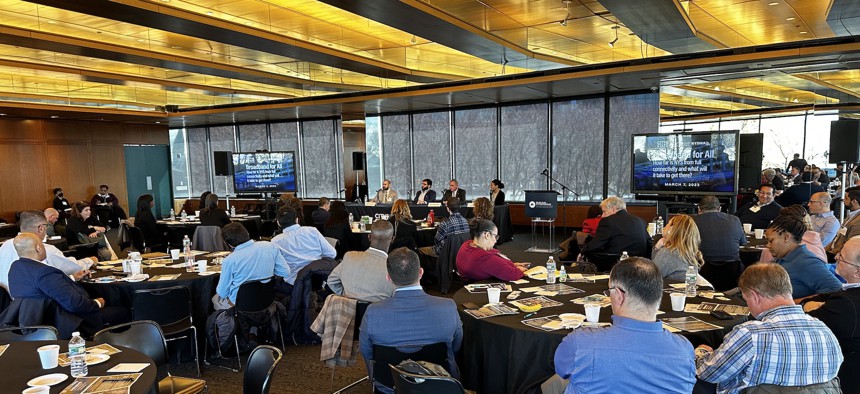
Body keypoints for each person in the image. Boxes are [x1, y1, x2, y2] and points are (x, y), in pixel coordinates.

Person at [542, 257, 695, 394]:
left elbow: (561, 370)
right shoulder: (685, 351)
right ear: (658, 296)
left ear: (619, 296)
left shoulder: (579, 342)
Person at [695, 263, 843, 393]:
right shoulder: (825, 331)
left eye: (747, 300)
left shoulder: (751, 334)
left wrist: (701, 353)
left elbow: (709, 374)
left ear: (755, 296)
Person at [359, 248, 463, 394]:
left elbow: (368, 353)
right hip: (440, 386)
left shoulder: (372, 312)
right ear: (421, 272)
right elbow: (456, 347)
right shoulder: (448, 307)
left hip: (388, 385)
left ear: (388, 278)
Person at [8, 233, 129, 337]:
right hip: (67, 322)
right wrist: (96, 303)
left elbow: (43, 291)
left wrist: (71, 278)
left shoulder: (16, 268)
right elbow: (74, 304)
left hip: (36, 322)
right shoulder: (44, 272)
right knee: (122, 312)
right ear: (38, 248)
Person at [803, 237, 860, 392]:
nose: (835, 257)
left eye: (841, 257)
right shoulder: (848, 295)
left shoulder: (846, 305)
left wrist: (812, 305)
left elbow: (807, 321)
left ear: (857, 271)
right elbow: (827, 296)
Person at [0, 210, 92, 293]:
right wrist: (90, 260)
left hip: (8, 304)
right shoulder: (43, 249)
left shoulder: (4, 246)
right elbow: (73, 268)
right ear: (41, 228)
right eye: (47, 226)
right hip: (39, 303)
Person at [213, 222, 291, 310]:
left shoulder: (230, 260)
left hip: (240, 305)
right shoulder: (270, 246)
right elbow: (285, 271)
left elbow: (222, 293)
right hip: (266, 301)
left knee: (215, 299)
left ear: (229, 245)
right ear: (247, 234)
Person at [765, 215, 842, 299]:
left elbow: (835, 288)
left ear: (786, 237)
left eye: (771, 241)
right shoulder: (783, 257)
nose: (768, 245)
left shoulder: (806, 261)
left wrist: (797, 303)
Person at [327, 220, 396, 302]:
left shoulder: (350, 257)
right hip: (378, 312)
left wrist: (347, 298)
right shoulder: (394, 269)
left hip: (347, 313)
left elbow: (331, 281)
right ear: (392, 239)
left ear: (369, 237)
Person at [271, 207, 336, 291]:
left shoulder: (275, 241)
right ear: (297, 220)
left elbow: (276, 268)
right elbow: (332, 254)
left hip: (293, 285)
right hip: (317, 282)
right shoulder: (312, 231)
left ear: (278, 223)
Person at [456, 220, 526, 281]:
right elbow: (512, 274)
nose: (495, 241)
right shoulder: (483, 257)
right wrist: (520, 269)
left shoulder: (467, 244)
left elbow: (495, 262)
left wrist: (512, 265)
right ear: (487, 235)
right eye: (495, 236)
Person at [581, 196, 651, 258]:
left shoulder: (607, 221)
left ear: (613, 209)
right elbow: (649, 244)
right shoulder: (641, 221)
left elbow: (596, 245)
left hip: (614, 264)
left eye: (604, 212)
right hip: (639, 263)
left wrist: (582, 252)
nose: (602, 216)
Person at [651, 215, 711, 286]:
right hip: (685, 293)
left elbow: (651, 278)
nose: (664, 226)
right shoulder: (687, 252)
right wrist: (657, 248)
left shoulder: (668, 253)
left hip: (669, 294)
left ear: (672, 229)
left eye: (668, 223)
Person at [759, 205, 827, 263]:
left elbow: (764, 276)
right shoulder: (817, 242)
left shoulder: (772, 250)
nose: (768, 245)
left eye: (771, 241)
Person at [692, 195, 747, 262]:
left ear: (699, 209)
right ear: (719, 209)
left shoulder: (692, 221)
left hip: (701, 268)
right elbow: (743, 242)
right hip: (733, 268)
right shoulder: (735, 219)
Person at [827, 189, 860, 255]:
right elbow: (837, 237)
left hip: (840, 255)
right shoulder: (851, 215)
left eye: (846, 198)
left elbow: (849, 244)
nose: (843, 200)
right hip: (833, 251)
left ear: (854, 201)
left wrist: (830, 254)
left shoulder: (858, 222)